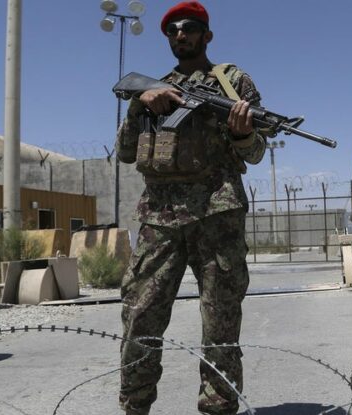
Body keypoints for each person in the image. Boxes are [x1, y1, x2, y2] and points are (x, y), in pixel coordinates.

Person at [114, 1, 269, 414]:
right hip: (159, 218)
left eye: (190, 28)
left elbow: (255, 153)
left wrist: (242, 133)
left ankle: (218, 407)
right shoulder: (152, 87)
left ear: (207, 35)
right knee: (139, 316)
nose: (181, 35)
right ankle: (135, 406)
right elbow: (126, 152)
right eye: (173, 30)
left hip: (217, 215)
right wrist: (140, 104)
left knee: (220, 321)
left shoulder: (233, 83)